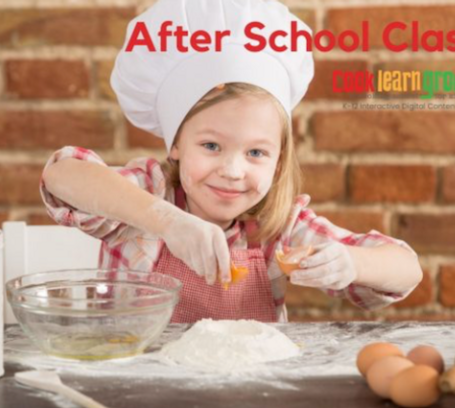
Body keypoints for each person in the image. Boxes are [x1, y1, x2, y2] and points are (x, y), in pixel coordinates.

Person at [41, 0, 423, 323]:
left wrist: (352, 263)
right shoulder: (149, 191)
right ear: (176, 143)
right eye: (211, 146)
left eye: (256, 152)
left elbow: (406, 268)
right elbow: (62, 175)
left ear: (279, 160)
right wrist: (166, 221)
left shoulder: (277, 226)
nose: (233, 170)